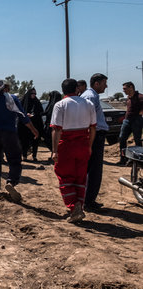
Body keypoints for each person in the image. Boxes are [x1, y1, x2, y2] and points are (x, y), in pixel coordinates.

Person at [0, 78, 39, 202]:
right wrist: (34, 130)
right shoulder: (12, 99)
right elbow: (23, 116)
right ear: (5, 88)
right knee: (15, 159)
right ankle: (11, 182)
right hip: (10, 134)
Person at [50, 79, 96, 222]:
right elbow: (93, 128)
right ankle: (79, 206)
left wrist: (54, 150)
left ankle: (73, 207)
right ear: (77, 88)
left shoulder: (60, 105)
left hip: (66, 146)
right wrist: (89, 146)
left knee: (64, 176)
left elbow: (56, 130)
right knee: (80, 177)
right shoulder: (88, 104)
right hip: (83, 144)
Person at [80, 73, 108, 212]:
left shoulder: (92, 96)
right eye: (104, 83)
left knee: (93, 170)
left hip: (95, 135)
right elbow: (88, 120)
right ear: (96, 84)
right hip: (94, 136)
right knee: (94, 170)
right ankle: (88, 201)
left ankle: (88, 200)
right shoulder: (90, 96)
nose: (106, 86)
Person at [118, 81, 143, 164]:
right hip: (127, 120)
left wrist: (141, 113)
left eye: (125, 89)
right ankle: (123, 159)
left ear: (131, 87)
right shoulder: (128, 98)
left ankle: (138, 160)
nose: (123, 91)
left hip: (137, 120)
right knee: (122, 138)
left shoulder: (140, 97)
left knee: (137, 140)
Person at [18, 88, 44, 161]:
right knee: (24, 141)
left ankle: (34, 156)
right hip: (25, 126)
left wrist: (34, 115)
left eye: (35, 94)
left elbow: (40, 112)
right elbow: (19, 112)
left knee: (35, 141)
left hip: (35, 124)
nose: (33, 95)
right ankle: (24, 155)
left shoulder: (37, 102)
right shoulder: (23, 102)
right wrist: (25, 115)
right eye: (32, 93)